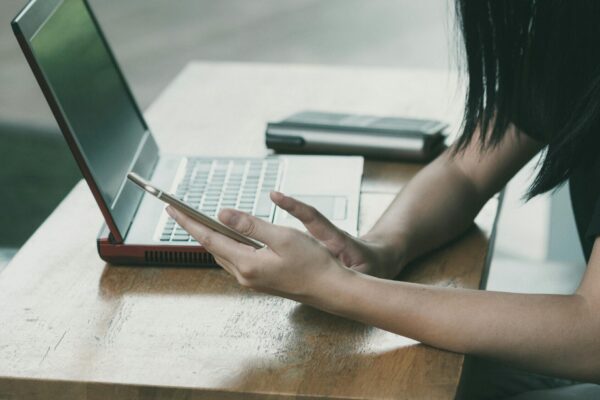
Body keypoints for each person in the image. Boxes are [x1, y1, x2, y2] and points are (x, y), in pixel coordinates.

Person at [165, 1, 600, 398]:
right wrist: (383, 246)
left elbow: (590, 335)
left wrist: (335, 287)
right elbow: (466, 170)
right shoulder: (573, 32)